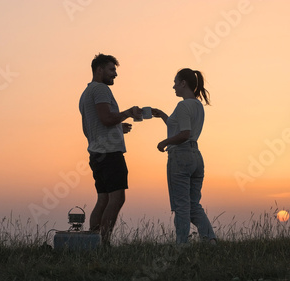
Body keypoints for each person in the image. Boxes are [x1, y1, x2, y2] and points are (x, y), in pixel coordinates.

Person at [79, 53, 141, 245]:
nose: (115, 74)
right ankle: (104, 244)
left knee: (103, 199)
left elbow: (95, 125)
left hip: (96, 153)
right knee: (117, 198)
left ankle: (93, 243)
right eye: (111, 69)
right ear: (99, 70)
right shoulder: (101, 90)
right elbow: (106, 119)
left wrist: (117, 128)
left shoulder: (87, 92)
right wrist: (128, 113)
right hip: (109, 154)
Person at [152, 68, 216, 245]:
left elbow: (184, 133)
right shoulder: (197, 106)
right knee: (193, 204)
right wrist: (163, 116)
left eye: (175, 82)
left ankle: (181, 245)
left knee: (181, 206)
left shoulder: (182, 106)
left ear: (183, 83)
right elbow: (181, 128)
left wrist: (164, 142)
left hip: (180, 156)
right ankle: (210, 241)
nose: (173, 86)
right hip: (196, 156)